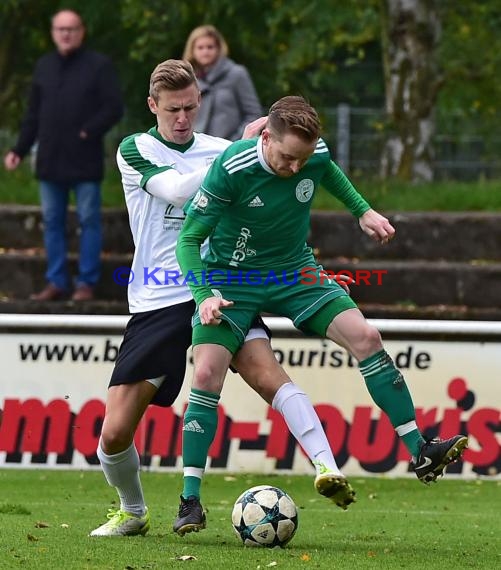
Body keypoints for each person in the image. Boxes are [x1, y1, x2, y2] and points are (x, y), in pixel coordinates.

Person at [173, 95, 469, 534]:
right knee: (205, 375)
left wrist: (363, 211)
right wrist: (203, 295)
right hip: (232, 279)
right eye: (288, 157)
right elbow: (188, 239)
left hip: (295, 272)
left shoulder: (313, 154)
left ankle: (420, 448)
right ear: (266, 136)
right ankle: (190, 501)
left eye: (303, 158)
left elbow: (329, 171)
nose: (296, 168)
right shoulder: (232, 169)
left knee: (366, 337)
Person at [89, 60, 355, 538]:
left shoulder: (221, 148)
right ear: (154, 106)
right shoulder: (136, 148)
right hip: (158, 297)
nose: (183, 118)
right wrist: (242, 148)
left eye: (192, 107)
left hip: (221, 288)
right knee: (113, 433)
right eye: (173, 109)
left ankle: (326, 465)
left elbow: (300, 164)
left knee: (266, 373)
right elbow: (173, 189)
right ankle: (132, 510)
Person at [3, 9, 123, 301]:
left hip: (85, 160)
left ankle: (86, 283)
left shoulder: (98, 66)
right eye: (60, 29)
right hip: (50, 160)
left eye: (71, 29)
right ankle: (56, 281)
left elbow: (113, 107)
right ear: (53, 33)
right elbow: (33, 114)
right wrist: (19, 149)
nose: (66, 34)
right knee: (53, 222)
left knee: (89, 221)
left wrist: (88, 131)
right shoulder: (44, 66)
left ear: (81, 31)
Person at [182, 25, 262, 141]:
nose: (205, 52)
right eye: (200, 48)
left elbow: (253, 114)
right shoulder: (187, 79)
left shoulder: (236, 74)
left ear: (219, 49)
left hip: (231, 146)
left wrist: (237, 142)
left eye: (210, 47)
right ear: (192, 50)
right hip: (198, 149)